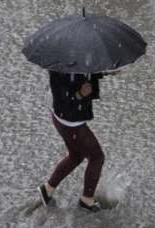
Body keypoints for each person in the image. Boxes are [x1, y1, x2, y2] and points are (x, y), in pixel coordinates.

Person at [37, 68, 121, 212]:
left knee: (76, 156)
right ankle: (86, 200)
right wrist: (79, 94)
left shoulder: (73, 60)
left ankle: (48, 189)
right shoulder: (60, 68)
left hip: (63, 119)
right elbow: (63, 97)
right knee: (96, 156)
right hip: (71, 122)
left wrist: (104, 72)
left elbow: (83, 72)